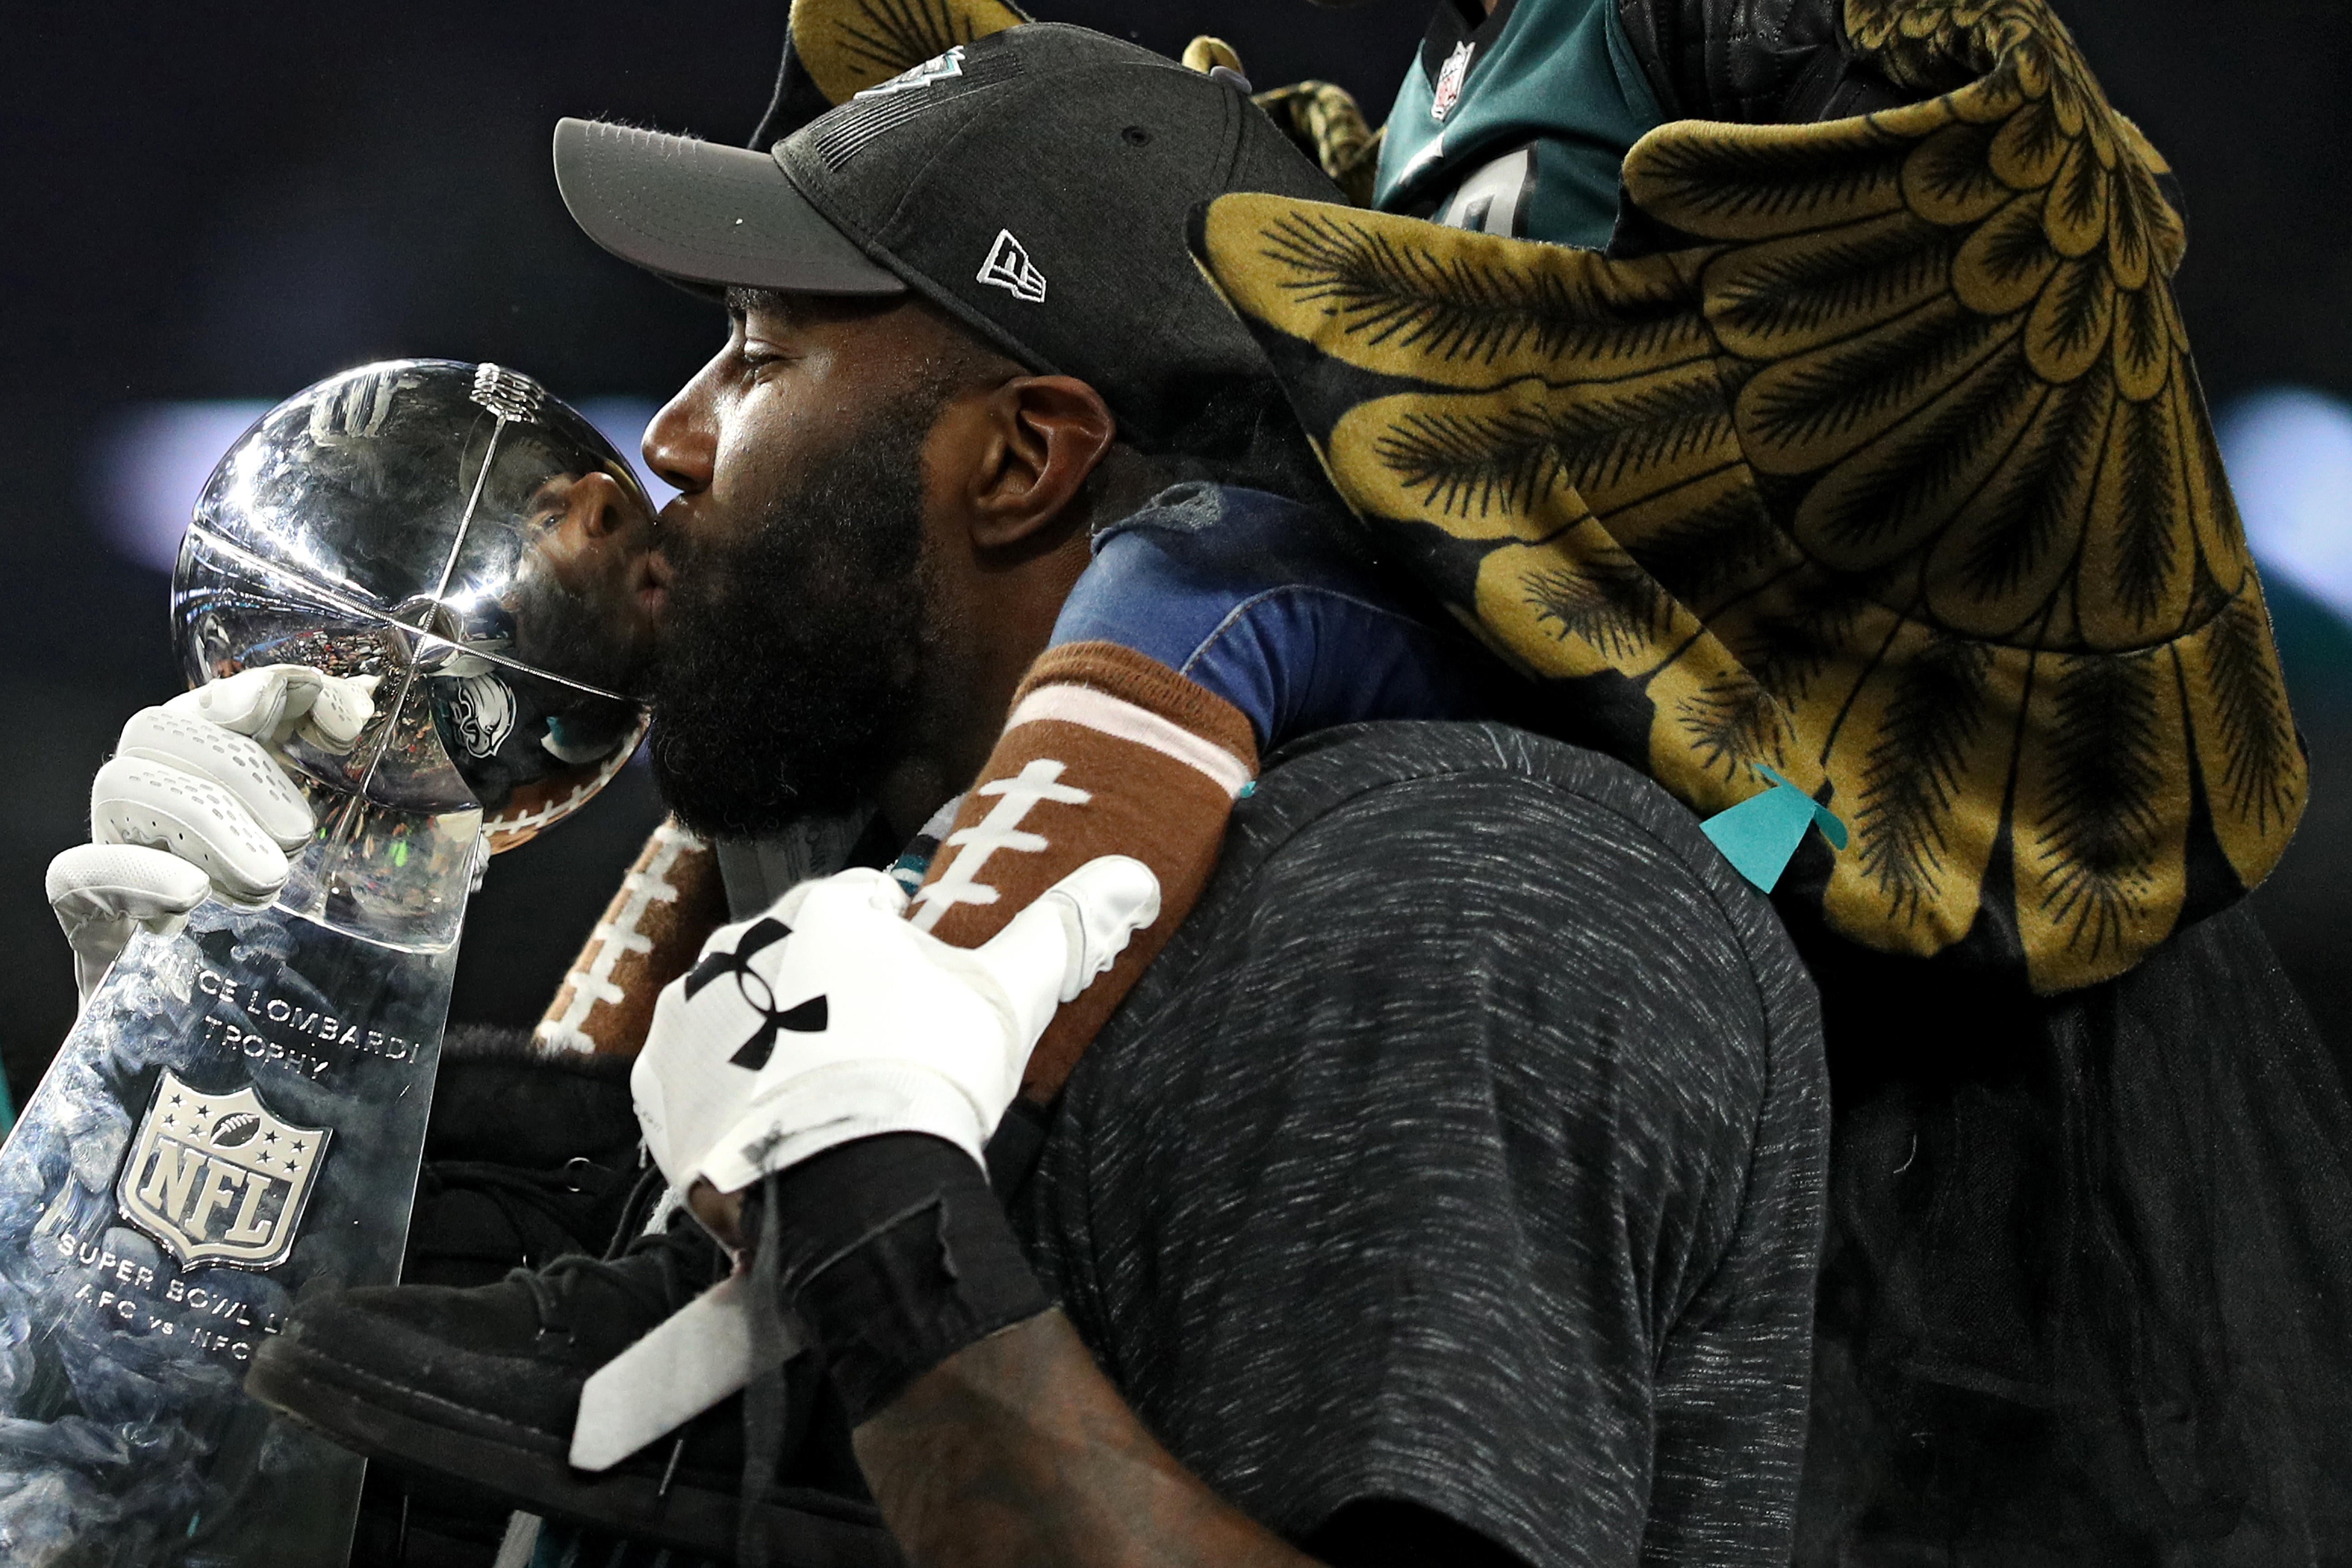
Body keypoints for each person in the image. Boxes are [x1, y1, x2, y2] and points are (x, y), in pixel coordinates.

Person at [35, 23, 1833, 1567]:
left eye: (755, 348)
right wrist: (189, 1094)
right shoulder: (829, 898)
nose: (664, 441)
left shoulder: (1453, 896)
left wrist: (882, 1227)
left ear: (1022, 456)